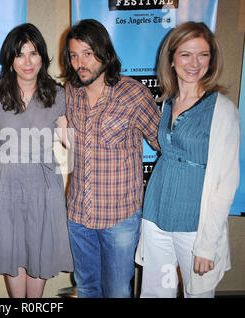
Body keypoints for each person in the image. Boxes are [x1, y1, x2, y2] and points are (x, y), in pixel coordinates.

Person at [135, 21, 240, 298]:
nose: (194, 63)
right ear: (171, 58)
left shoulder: (223, 110)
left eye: (203, 54)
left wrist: (207, 245)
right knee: (158, 293)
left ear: (211, 59)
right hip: (157, 216)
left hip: (195, 224)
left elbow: (227, 183)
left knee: (199, 294)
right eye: (185, 54)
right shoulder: (168, 101)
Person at [62, 19, 161, 298]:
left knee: (117, 292)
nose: (80, 62)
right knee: (86, 289)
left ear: (105, 53)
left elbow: (164, 145)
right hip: (79, 216)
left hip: (120, 218)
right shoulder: (70, 92)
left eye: (88, 54)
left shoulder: (133, 94)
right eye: (74, 55)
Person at [0, 23, 74, 298]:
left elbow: (68, 138)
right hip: (4, 182)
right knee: (12, 251)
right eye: (20, 54)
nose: (27, 62)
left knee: (38, 251)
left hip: (43, 183)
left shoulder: (57, 94)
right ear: (10, 59)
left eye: (33, 53)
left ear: (42, 57)